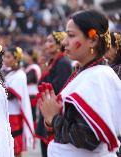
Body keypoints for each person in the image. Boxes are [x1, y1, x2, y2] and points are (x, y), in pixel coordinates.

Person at [39, 9, 121, 157]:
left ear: (93, 40)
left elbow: (88, 138)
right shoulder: (86, 73)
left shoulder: (98, 78)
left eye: (71, 36)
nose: (64, 42)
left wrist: (53, 118)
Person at [36, 31, 73, 157]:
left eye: (50, 41)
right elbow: (41, 87)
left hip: (55, 116)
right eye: (46, 41)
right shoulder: (53, 62)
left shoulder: (63, 63)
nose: (46, 44)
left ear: (59, 45)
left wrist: (45, 72)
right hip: (48, 114)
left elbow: (57, 90)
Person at [4, 46, 34, 157]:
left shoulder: (20, 75)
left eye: (8, 57)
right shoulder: (9, 73)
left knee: (16, 148)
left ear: (16, 59)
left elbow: (10, 95)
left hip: (14, 115)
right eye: (5, 57)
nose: (5, 59)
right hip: (7, 113)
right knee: (7, 146)